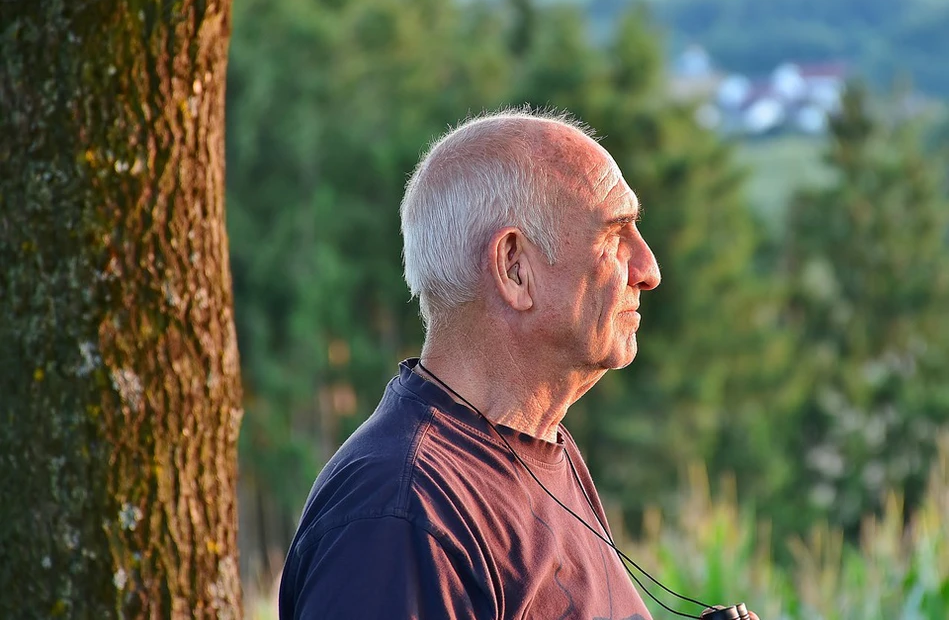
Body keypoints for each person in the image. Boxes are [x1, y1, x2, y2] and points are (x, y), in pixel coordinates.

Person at [279, 109, 759, 620]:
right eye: (614, 235)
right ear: (514, 267)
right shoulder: (402, 514)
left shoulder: (539, 446)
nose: (648, 270)